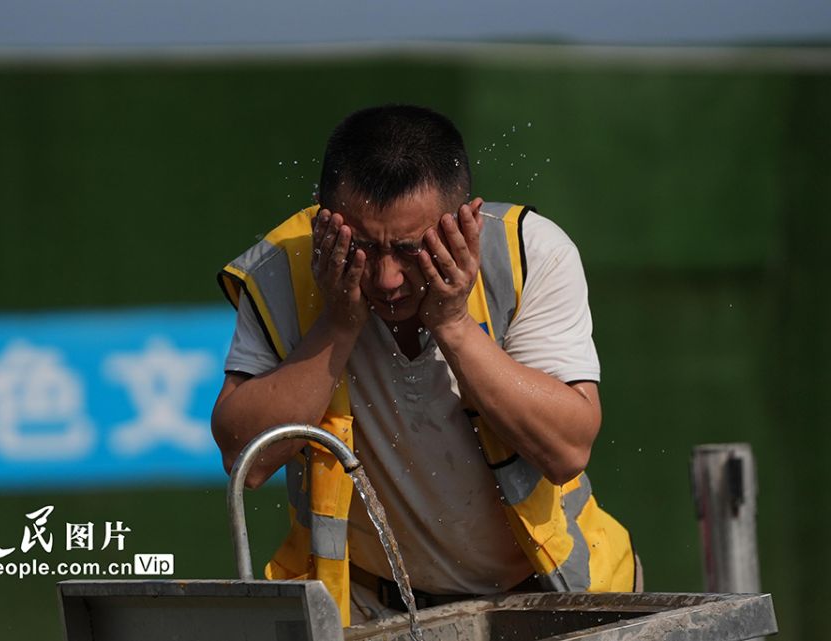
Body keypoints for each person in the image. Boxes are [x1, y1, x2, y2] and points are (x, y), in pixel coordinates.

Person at [212, 104, 638, 627]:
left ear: (464, 220)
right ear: (322, 216)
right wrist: (337, 326)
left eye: (411, 249)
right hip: (367, 609)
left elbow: (567, 450)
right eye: (361, 247)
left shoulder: (529, 252)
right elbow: (246, 457)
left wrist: (454, 324)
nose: (387, 278)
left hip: (551, 596)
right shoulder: (284, 266)